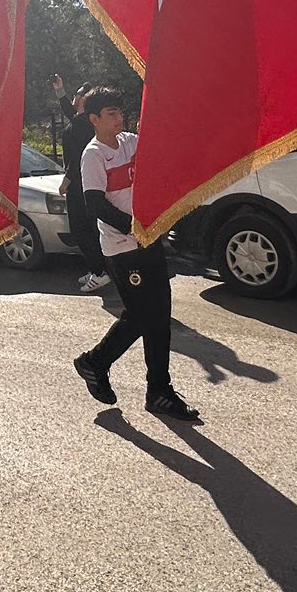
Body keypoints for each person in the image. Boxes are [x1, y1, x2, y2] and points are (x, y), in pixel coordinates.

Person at [71, 87, 198, 421]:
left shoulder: (131, 141)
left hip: (149, 240)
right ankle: (97, 362)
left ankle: (158, 391)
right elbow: (94, 204)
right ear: (94, 119)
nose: (118, 118)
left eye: (120, 112)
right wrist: (133, 227)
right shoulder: (93, 154)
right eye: (111, 113)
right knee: (144, 316)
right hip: (123, 249)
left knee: (158, 318)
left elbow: (159, 158)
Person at [60, 88, 111, 292]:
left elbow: (78, 155)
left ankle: (99, 273)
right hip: (86, 182)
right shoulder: (83, 120)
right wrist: (59, 91)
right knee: (88, 229)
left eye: (76, 95)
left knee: (81, 229)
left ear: (82, 100)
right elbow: (69, 112)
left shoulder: (81, 124)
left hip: (79, 184)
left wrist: (67, 180)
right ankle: (96, 269)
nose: (73, 98)